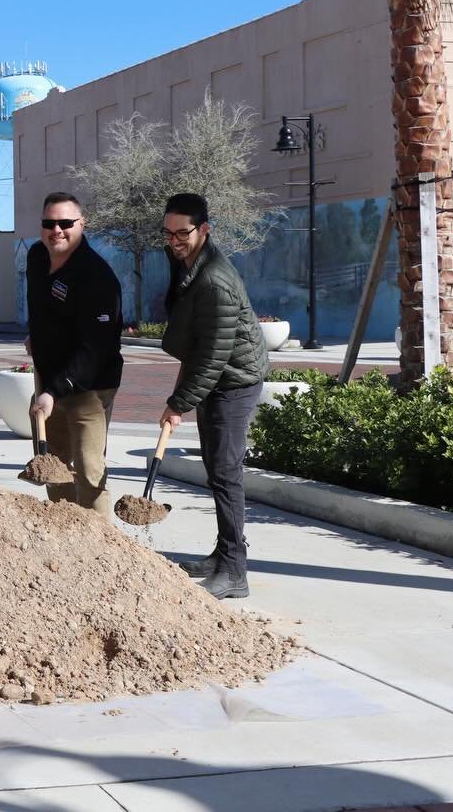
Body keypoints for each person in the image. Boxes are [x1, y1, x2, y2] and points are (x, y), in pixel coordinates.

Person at [158, 192, 268, 600]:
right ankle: (223, 554)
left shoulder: (215, 280)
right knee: (216, 468)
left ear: (204, 230)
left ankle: (235, 572)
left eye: (182, 233)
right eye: (168, 233)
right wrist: (182, 396)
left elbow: (213, 355)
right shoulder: (189, 263)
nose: (174, 241)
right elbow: (197, 342)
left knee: (225, 474)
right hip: (219, 376)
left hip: (235, 381)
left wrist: (179, 403)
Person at [25, 192, 123, 515]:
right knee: (53, 466)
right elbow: (42, 309)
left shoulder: (98, 277)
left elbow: (95, 349)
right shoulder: (37, 257)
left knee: (88, 470)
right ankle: (67, 534)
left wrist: (53, 392)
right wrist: (36, 338)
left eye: (66, 223)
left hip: (90, 388)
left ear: (82, 224)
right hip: (50, 382)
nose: (57, 230)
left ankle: (100, 551)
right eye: (49, 223)